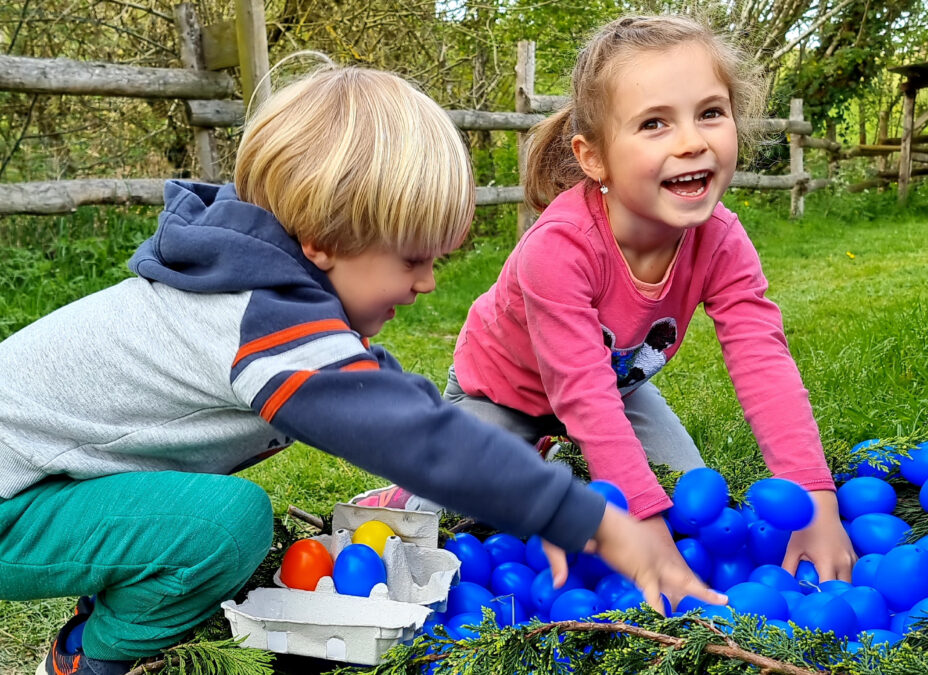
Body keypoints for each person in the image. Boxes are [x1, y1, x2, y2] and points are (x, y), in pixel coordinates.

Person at [0, 65, 724, 675]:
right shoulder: (253, 316)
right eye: (412, 259)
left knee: (211, 523)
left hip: (23, 468)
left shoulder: (261, 281)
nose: (429, 283)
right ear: (323, 244)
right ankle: (92, 657)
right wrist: (585, 517)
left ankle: (126, 583)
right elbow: (410, 434)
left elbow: (386, 390)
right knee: (226, 525)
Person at [358, 15, 857, 584]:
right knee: (452, 518)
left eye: (711, 113)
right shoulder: (560, 247)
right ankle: (402, 494)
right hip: (501, 393)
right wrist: (636, 520)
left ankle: (553, 460)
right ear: (592, 157)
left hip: (619, 390)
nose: (692, 141)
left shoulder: (721, 239)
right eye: (654, 124)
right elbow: (580, 391)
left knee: (689, 502)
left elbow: (762, 362)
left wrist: (814, 497)